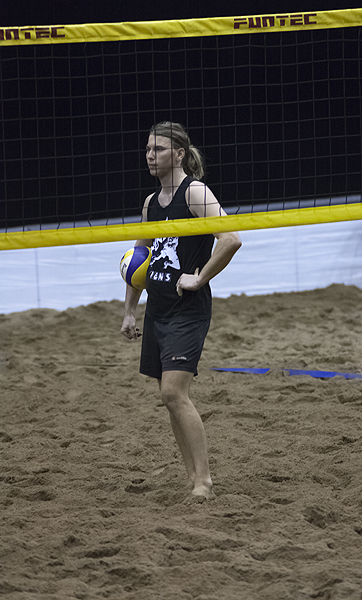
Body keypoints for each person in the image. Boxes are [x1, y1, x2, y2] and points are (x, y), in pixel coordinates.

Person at [121, 121, 241, 499]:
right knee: (168, 398)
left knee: (174, 393)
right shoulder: (150, 203)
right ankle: (192, 478)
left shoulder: (195, 193)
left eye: (157, 149)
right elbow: (139, 258)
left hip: (187, 310)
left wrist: (200, 278)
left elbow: (231, 239)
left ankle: (204, 481)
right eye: (147, 149)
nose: (149, 155)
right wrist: (129, 311)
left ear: (179, 154)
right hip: (157, 308)